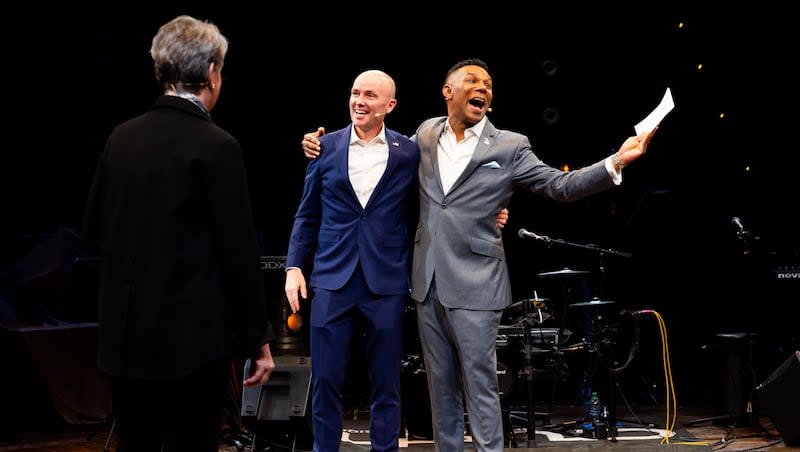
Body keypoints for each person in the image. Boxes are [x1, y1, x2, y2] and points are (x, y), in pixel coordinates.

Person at [301, 58, 656, 451]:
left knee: (481, 387)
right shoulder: (424, 135)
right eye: (472, 81)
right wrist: (319, 141)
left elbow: (560, 185)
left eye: (488, 84)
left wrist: (615, 162)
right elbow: (377, 156)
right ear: (448, 92)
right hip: (427, 283)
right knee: (441, 391)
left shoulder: (509, 145)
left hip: (477, 281)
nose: (483, 88)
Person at [81, 15, 275, 452]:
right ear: (211, 73)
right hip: (192, 347)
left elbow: (92, 232)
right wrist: (257, 340)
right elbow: (238, 255)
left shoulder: (120, 138)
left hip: (125, 343)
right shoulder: (217, 145)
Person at [284, 69, 419, 452]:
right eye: (355, 93)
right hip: (331, 279)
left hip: (385, 282)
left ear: (389, 106)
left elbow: (435, 202)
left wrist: (493, 213)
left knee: (386, 383)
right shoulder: (325, 148)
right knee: (325, 382)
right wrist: (295, 266)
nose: (359, 101)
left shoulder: (407, 153)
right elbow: (307, 213)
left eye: (370, 96)